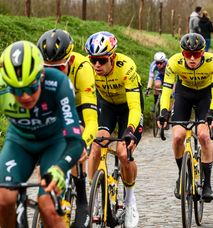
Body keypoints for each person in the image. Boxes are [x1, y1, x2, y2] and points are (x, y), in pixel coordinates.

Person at [0, 41, 83, 228]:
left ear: (42, 75)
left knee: (48, 206)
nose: (26, 96)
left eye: (31, 87)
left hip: (54, 143)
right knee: (4, 199)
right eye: (17, 91)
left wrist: (60, 168)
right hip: (19, 143)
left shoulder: (59, 83)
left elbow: (76, 142)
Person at [37, 28, 98, 227]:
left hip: (79, 105)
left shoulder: (83, 68)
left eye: (60, 68)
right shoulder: (36, 70)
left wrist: (83, 143)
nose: (53, 73)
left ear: (69, 62)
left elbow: (91, 122)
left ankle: (82, 201)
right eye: (48, 68)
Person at [85, 31, 143, 228]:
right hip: (107, 106)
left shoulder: (126, 67)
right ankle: (92, 200)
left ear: (113, 57)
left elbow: (135, 106)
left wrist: (130, 130)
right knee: (96, 146)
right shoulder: (89, 69)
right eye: (93, 60)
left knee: (123, 154)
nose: (97, 66)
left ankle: (130, 201)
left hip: (128, 107)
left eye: (102, 60)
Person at [158, 33, 213, 202]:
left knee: (203, 135)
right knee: (178, 136)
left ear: (203, 53)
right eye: (187, 54)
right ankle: (182, 175)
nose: (192, 58)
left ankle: (207, 183)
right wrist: (164, 111)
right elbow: (166, 91)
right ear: (182, 53)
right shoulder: (174, 62)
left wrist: (211, 113)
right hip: (184, 93)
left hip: (205, 95)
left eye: (196, 54)